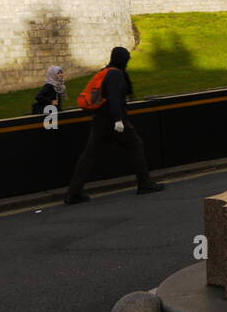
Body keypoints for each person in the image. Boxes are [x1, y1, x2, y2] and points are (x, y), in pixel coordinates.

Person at [64, 47, 164, 203]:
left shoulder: (106, 71)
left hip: (99, 120)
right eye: (127, 59)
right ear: (123, 59)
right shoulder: (116, 74)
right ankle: (144, 183)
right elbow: (114, 98)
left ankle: (73, 193)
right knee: (135, 145)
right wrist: (118, 120)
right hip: (113, 119)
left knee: (89, 156)